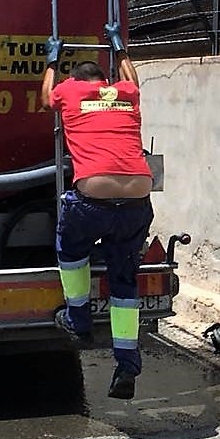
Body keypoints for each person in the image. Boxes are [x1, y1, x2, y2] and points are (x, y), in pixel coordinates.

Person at [41, 22, 154, 400]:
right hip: (137, 201)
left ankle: (78, 320)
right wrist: (120, 48)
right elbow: (133, 80)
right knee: (125, 280)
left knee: (71, 250)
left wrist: (51, 61)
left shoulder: (70, 91)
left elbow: (46, 98)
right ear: (104, 81)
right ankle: (127, 364)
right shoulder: (125, 93)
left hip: (92, 202)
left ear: (76, 80)